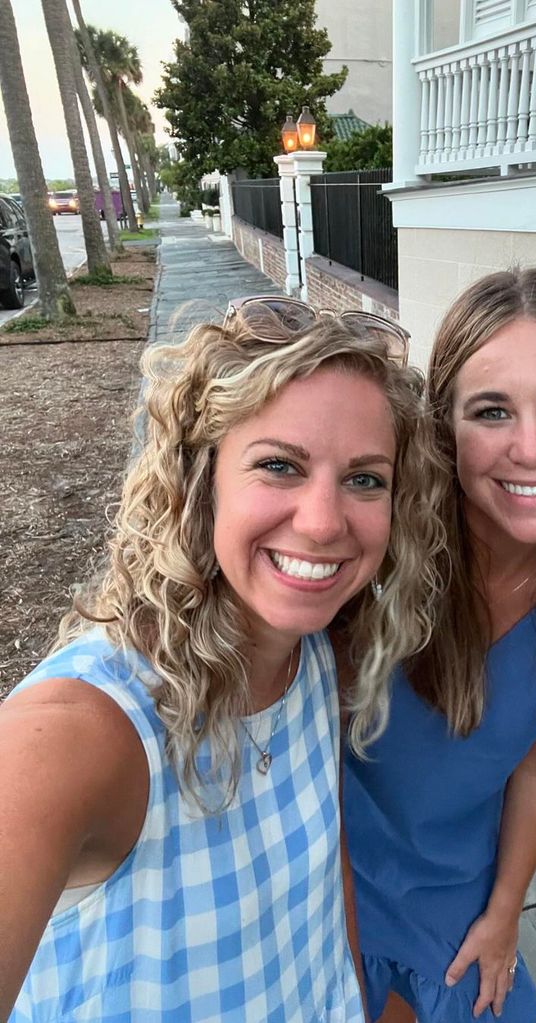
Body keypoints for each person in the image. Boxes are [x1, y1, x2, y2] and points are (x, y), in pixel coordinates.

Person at [0, 305, 445, 1022]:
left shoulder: (315, 658)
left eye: (365, 479)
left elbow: (324, 880)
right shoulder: (78, 735)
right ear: (200, 480)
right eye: (278, 465)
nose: (325, 520)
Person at [342, 267, 536, 1022]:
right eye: (491, 411)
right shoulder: (372, 563)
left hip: (455, 891)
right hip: (329, 884)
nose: (530, 447)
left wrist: (506, 909)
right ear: (441, 426)